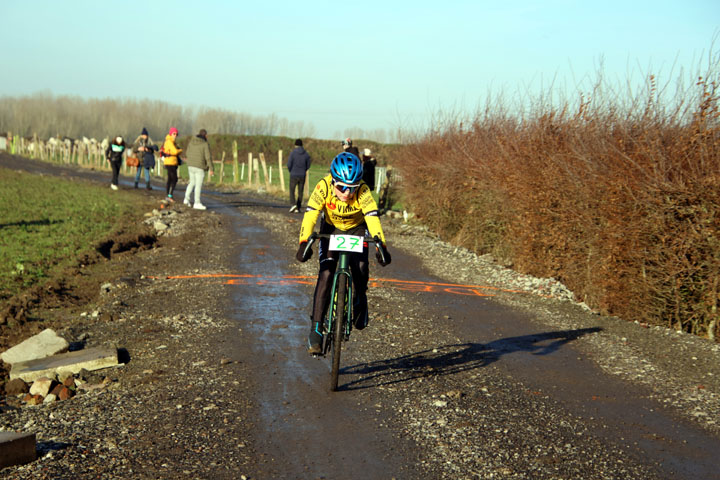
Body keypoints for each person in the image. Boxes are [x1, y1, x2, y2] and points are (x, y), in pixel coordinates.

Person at [295, 152, 392, 355]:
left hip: (357, 229)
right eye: (341, 187)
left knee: (361, 268)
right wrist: (304, 242)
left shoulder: (363, 191)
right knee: (327, 273)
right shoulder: (323, 186)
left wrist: (380, 244)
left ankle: (360, 298)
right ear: (333, 181)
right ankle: (316, 328)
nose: (347, 193)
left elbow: (373, 218)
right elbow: (311, 214)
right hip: (331, 229)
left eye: (352, 188)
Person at [183, 128, 213, 210]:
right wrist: (211, 168)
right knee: (198, 185)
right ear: (205, 135)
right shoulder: (205, 144)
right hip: (200, 167)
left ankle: (186, 199)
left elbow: (187, 153)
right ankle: (197, 203)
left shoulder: (191, 142)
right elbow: (208, 157)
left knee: (192, 182)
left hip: (190, 165)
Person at [287, 138, 312, 213]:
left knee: (292, 190)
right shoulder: (306, 154)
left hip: (293, 174)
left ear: (295, 145)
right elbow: (308, 165)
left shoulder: (293, 153)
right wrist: (304, 170)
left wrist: (291, 171)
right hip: (302, 175)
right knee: (300, 191)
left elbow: (289, 164)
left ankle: (293, 204)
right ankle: (298, 207)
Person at [161, 127, 182, 202]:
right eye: (174, 134)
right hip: (170, 162)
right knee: (174, 179)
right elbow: (175, 151)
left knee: (170, 179)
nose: (175, 135)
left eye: (176, 134)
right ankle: (169, 195)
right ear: (171, 134)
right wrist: (180, 150)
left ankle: (168, 195)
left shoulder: (172, 141)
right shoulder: (169, 141)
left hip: (172, 162)